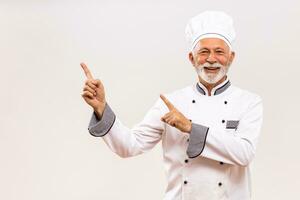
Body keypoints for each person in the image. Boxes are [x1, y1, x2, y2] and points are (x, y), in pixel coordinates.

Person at [81, 10, 263, 200]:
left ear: (231, 57)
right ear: (192, 59)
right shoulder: (171, 103)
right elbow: (129, 145)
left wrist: (191, 128)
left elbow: (245, 154)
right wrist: (101, 108)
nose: (211, 59)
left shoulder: (249, 102)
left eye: (219, 52)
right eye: (203, 52)